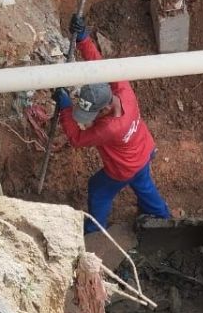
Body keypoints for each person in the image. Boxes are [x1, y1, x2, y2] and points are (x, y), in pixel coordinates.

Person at [54, 14, 172, 233]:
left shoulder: (109, 128)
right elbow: (102, 67)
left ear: (105, 108)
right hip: (143, 150)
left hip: (123, 168)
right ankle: (163, 219)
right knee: (144, 185)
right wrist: (83, 39)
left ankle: (94, 230)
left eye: (92, 114)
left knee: (98, 189)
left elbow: (77, 139)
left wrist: (65, 108)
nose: (90, 119)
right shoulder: (123, 90)